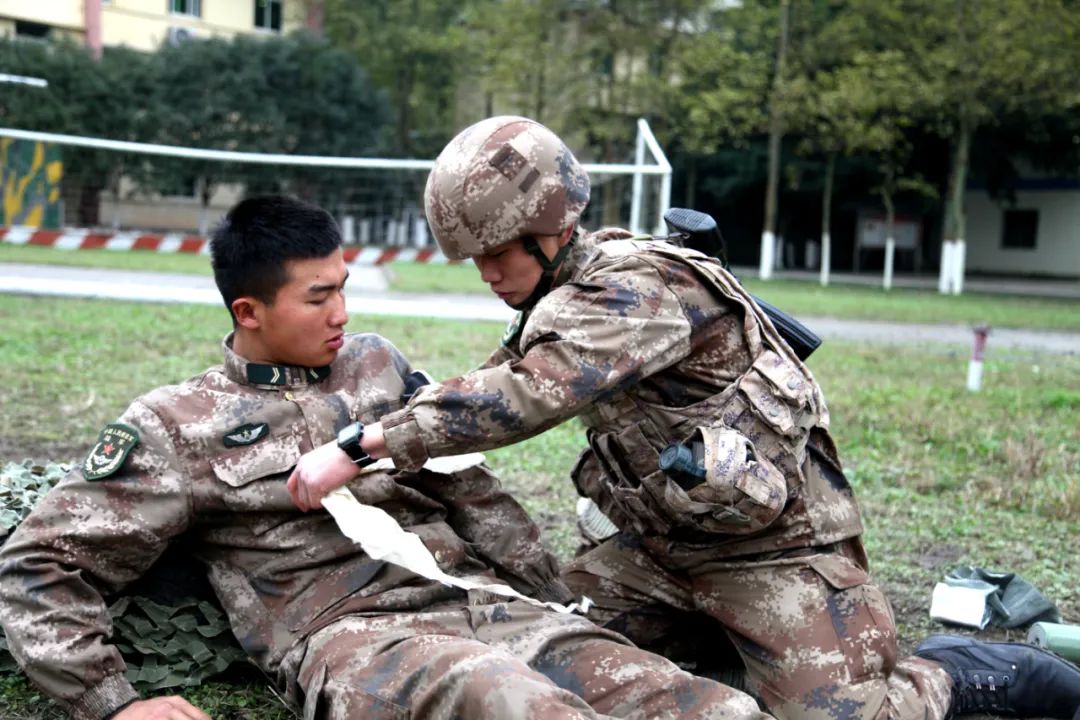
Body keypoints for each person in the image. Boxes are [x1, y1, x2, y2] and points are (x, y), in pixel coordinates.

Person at [286, 117, 1080, 720]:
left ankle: (959, 668)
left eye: (499, 254)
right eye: (478, 260)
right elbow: (498, 374)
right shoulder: (561, 295)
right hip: (658, 551)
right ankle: (717, 643)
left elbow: (525, 395)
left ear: (551, 225)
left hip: (770, 552)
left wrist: (364, 444)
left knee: (845, 715)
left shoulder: (632, 290)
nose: (490, 276)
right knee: (559, 651)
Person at [0, 195, 769, 720]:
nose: (342, 314)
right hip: (356, 638)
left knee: (690, 701)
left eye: (343, 287)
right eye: (316, 298)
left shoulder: (378, 367)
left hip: (476, 605)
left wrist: (549, 598)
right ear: (249, 312)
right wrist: (114, 701)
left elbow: (472, 492)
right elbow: (39, 563)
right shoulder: (177, 425)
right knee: (514, 702)